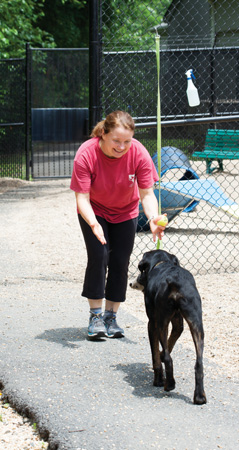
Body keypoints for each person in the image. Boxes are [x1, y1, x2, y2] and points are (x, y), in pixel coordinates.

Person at [70, 110, 166, 339]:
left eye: (127, 141)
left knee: (120, 262)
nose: (122, 146)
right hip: (95, 211)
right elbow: (82, 198)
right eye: (116, 140)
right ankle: (95, 316)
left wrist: (153, 218)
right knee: (99, 256)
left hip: (126, 212)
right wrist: (93, 224)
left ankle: (111, 317)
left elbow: (147, 194)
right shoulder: (86, 153)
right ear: (103, 134)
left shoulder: (139, 153)